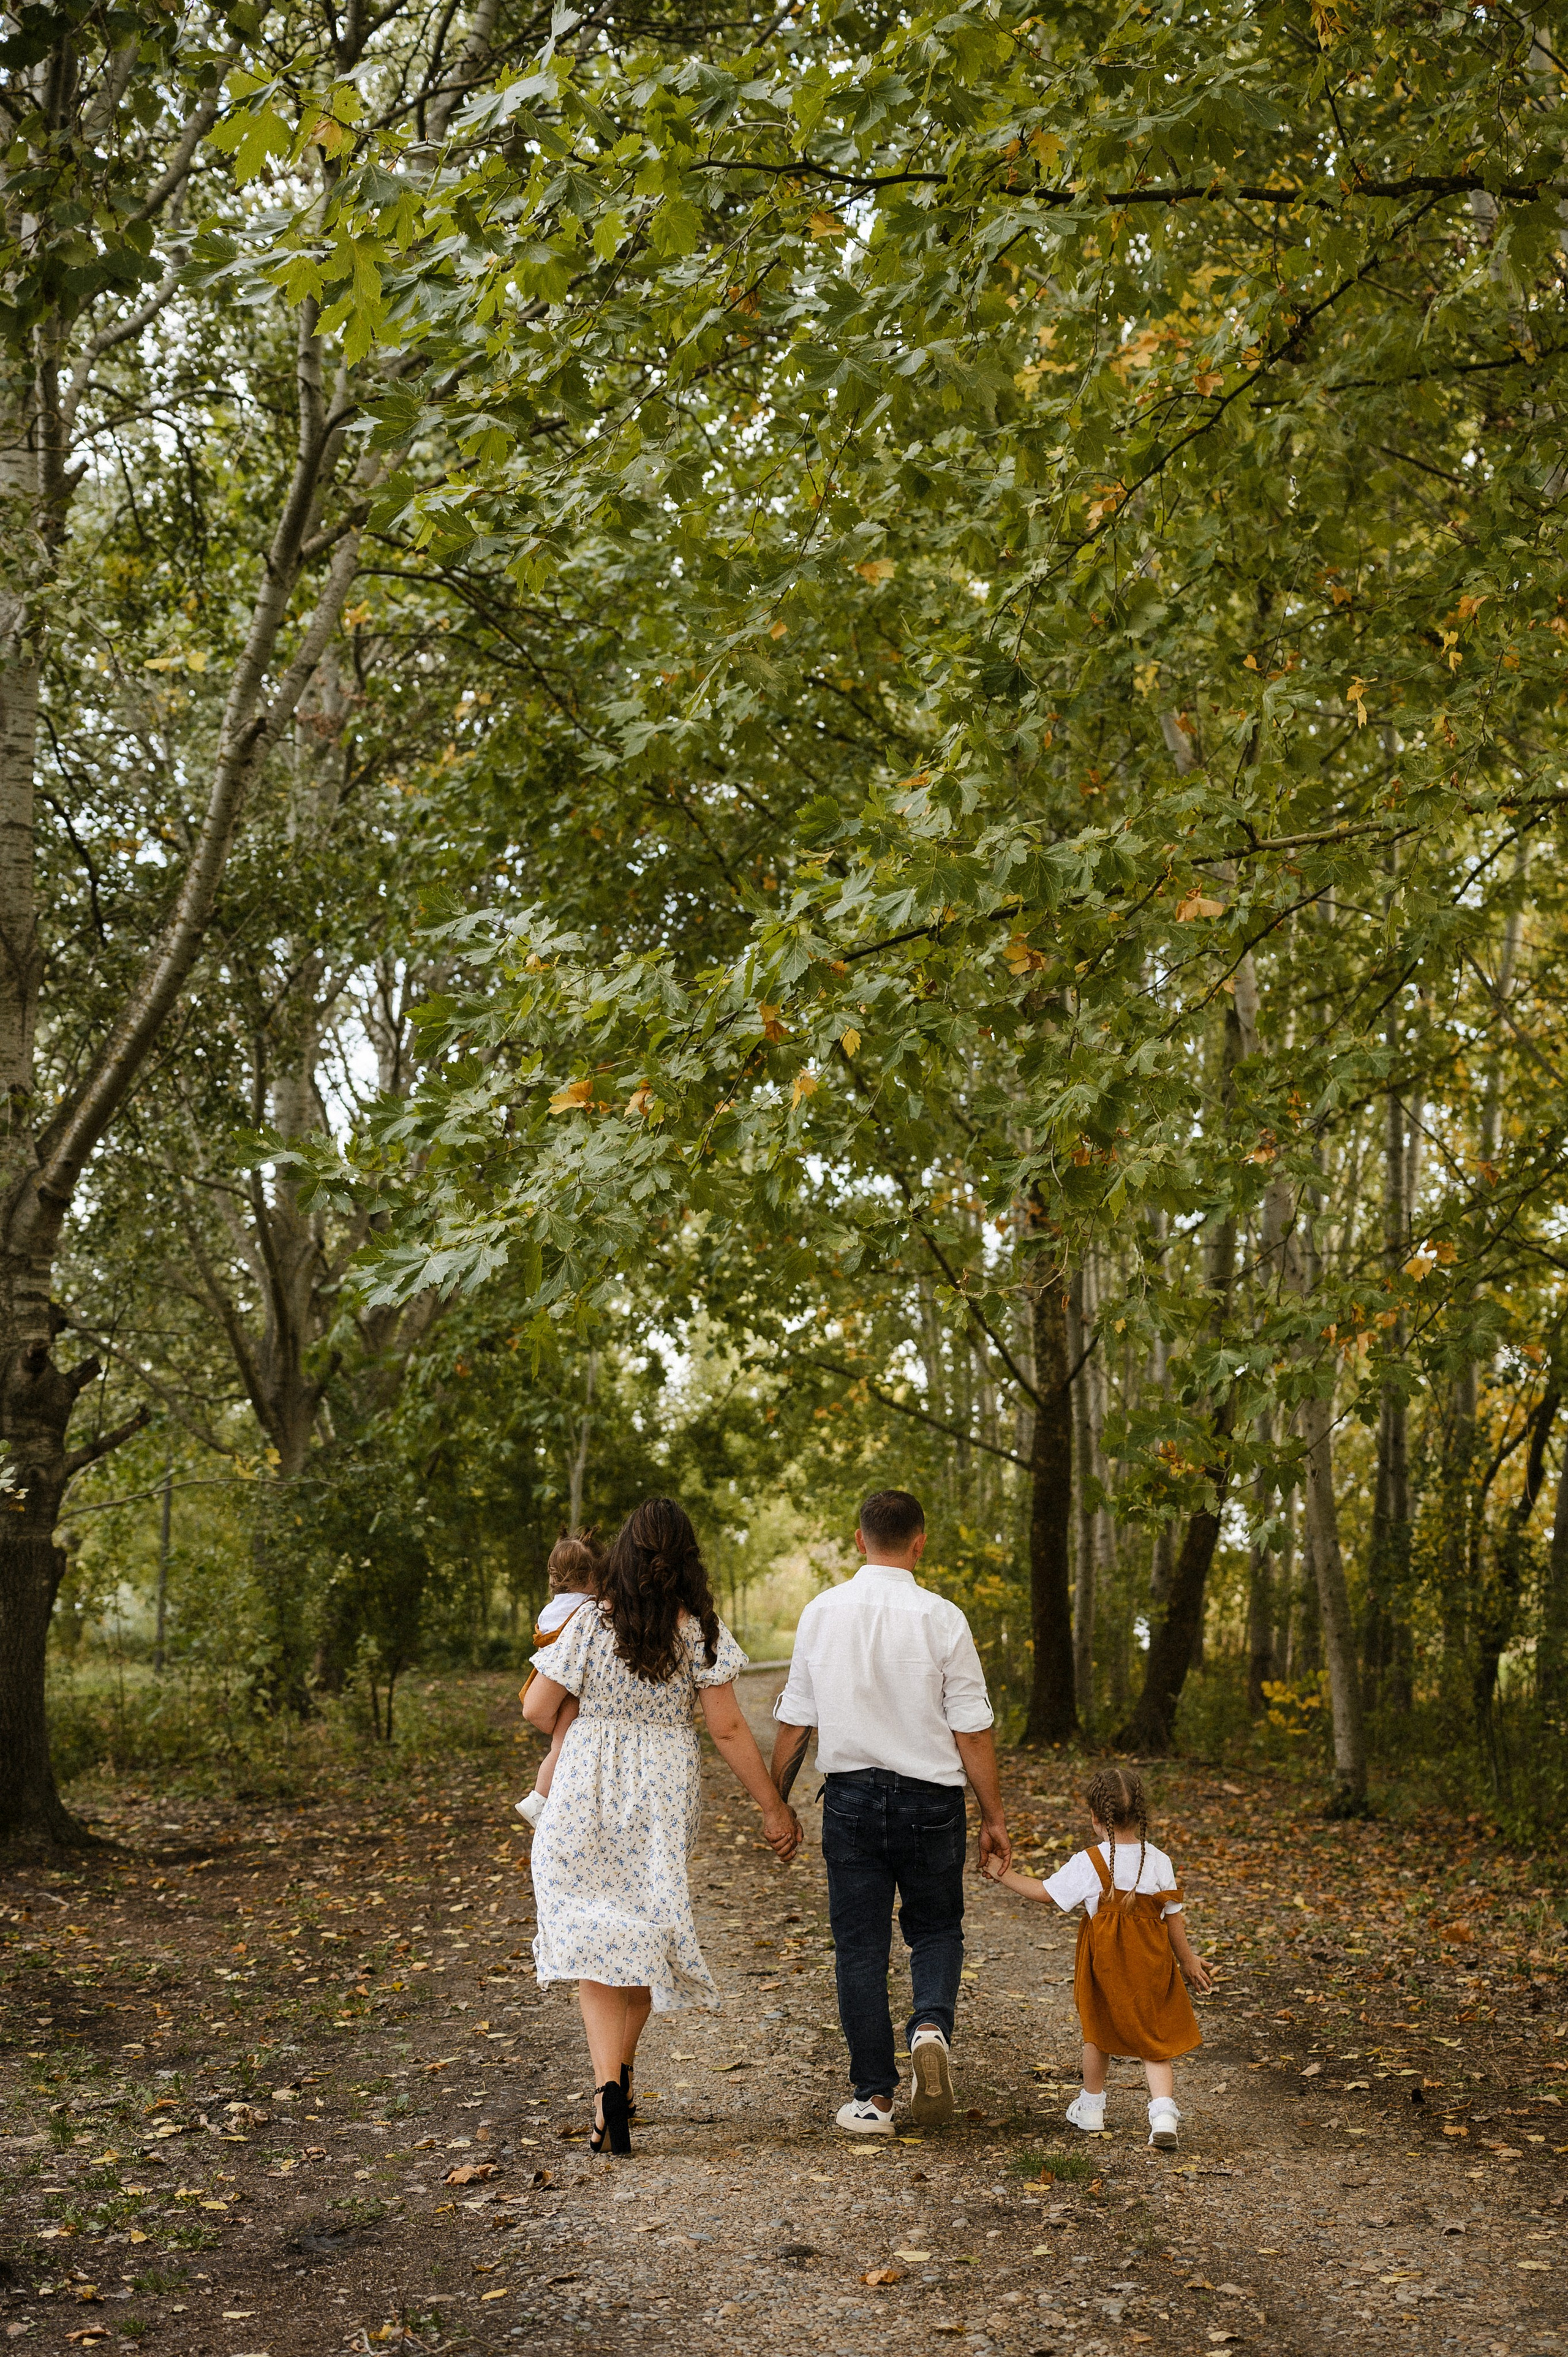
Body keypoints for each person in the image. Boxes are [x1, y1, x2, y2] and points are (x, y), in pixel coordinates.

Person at [522, 1496, 802, 2155]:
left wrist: (583, 1711)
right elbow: (728, 1727)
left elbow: (537, 1707)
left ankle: (605, 2093)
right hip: (662, 1784)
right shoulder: (699, 1627)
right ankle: (617, 2083)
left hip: (588, 1776)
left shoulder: (590, 1620)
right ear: (686, 1558)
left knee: (595, 1935)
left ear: (621, 1553)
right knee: (642, 1930)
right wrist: (772, 1805)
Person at [769, 1488, 1010, 2135]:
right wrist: (993, 1816)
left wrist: (778, 1805)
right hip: (931, 1800)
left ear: (858, 1539)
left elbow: (795, 1722)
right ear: (919, 1542)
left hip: (848, 1797)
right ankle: (930, 2024)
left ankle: (873, 2098)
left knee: (859, 1948)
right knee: (934, 1929)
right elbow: (972, 1730)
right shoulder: (943, 1618)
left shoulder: (821, 1612)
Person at [984, 1763, 1212, 2149]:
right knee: (1153, 2038)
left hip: (1104, 1965)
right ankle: (1163, 2114)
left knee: (1097, 2030)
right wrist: (1188, 1961)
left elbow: (1044, 1893)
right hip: (1151, 1964)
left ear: (1094, 1816)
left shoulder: (1090, 1861)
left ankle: (1091, 2107)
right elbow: (1174, 1918)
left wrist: (1000, 1872)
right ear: (1141, 1814)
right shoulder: (1159, 1860)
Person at [515, 1533, 603, 1830]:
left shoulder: (553, 1607)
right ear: (591, 1575)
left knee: (562, 1745)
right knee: (562, 1745)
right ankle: (539, 1799)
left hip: (552, 1679)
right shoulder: (586, 1609)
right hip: (569, 1687)